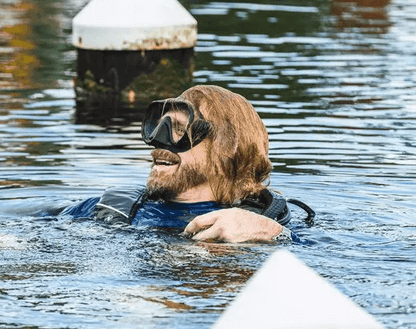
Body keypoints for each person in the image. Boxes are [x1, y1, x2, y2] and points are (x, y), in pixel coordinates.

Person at [52, 85, 313, 243]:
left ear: (227, 147)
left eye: (179, 130)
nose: (159, 143)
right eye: (157, 128)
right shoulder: (111, 206)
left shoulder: (264, 223)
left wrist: (275, 234)